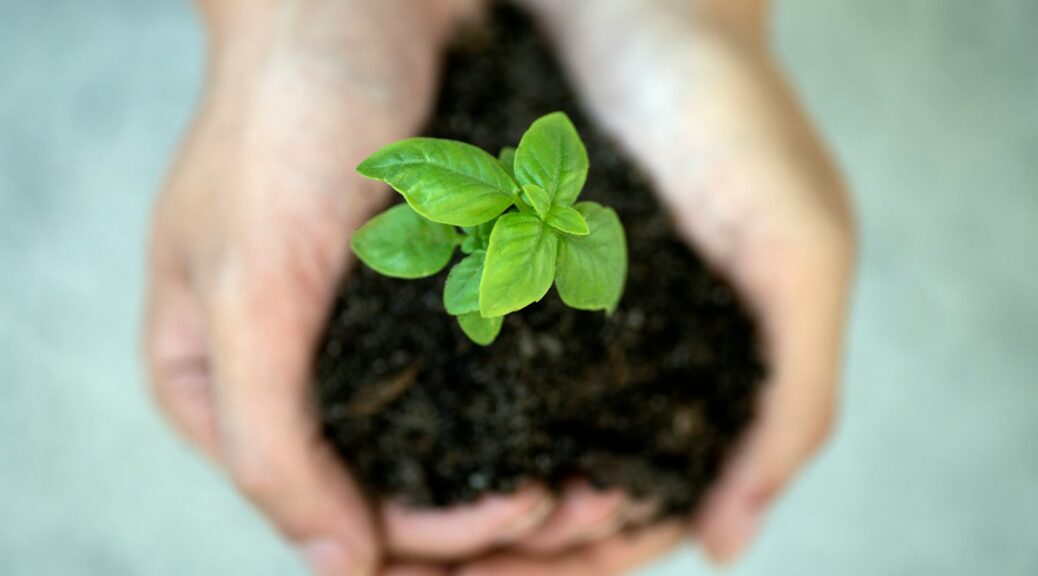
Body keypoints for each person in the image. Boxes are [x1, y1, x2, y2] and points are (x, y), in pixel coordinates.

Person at [145, 0, 855, 574]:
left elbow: (511, 284)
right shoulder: (508, 222)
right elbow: (480, 292)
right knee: (473, 274)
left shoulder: (562, 228)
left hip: (534, 213)